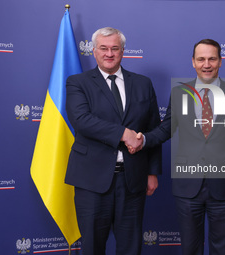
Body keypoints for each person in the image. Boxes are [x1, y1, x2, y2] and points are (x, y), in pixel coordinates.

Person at [130, 39, 225, 255]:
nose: (207, 64)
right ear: (193, 62)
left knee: (222, 247)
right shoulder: (179, 93)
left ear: (220, 61)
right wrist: (144, 140)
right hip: (188, 185)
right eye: (201, 59)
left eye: (212, 59)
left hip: (224, 184)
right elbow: (166, 129)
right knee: (189, 247)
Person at [64, 27, 162, 255]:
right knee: (92, 247)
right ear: (94, 51)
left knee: (131, 246)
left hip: (133, 180)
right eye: (103, 48)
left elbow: (153, 128)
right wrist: (123, 133)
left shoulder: (142, 83)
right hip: (92, 180)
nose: (109, 53)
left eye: (114, 48)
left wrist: (152, 171)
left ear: (123, 51)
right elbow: (81, 120)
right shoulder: (77, 82)